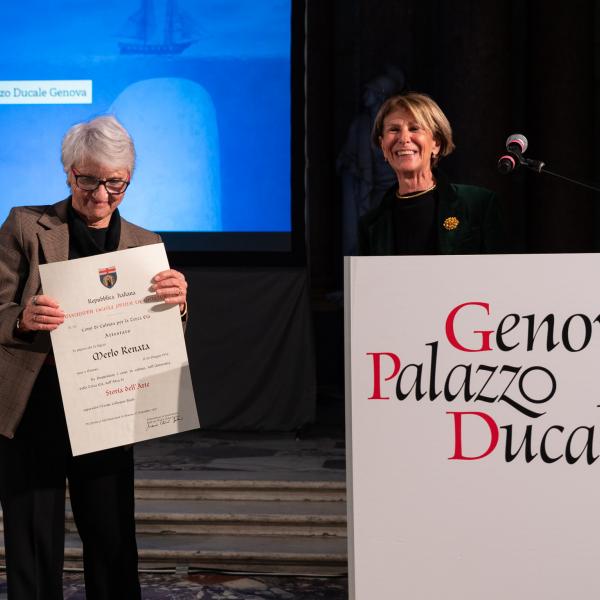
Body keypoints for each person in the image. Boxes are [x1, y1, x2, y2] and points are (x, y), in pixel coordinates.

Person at [0, 115, 188, 599]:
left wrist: (178, 305)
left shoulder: (146, 245)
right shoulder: (25, 225)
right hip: (36, 402)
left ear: (129, 179)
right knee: (33, 541)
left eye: (114, 183)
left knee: (112, 539)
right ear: (69, 173)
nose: (101, 195)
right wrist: (22, 319)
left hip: (108, 404)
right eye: (88, 180)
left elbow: (161, 336)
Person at [359, 92, 505, 255]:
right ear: (383, 146)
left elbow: (500, 268)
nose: (404, 138)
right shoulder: (371, 224)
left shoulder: (478, 205)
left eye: (414, 128)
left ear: (436, 143)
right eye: (394, 129)